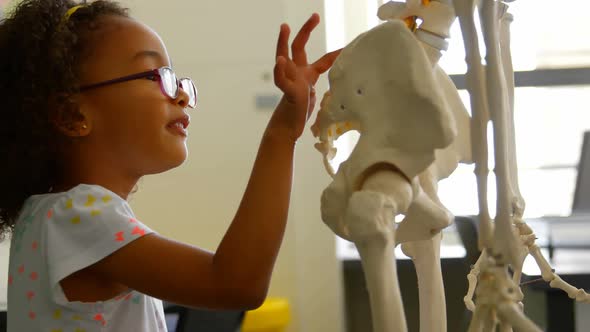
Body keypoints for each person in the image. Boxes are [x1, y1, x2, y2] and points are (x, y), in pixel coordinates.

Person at [0, 0, 340, 330]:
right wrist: (280, 136)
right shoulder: (75, 216)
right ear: (72, 115)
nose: (180, 94)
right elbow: (236, 284)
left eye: (177, 78)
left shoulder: (45, 214)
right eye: (156, 75)